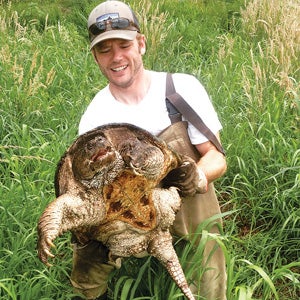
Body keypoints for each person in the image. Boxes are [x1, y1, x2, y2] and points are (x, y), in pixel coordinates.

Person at [72, 1, 227, 299]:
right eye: (105, 49)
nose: (116, 57)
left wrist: (188, 181)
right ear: (95, 57)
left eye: (124, 45)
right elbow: (88, 188)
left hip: (182, 197)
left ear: (141, 44)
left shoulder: (179, 89)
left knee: (207, 259)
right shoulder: (95, 119)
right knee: (85, 254)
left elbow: (216, 158)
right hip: (124, 207)